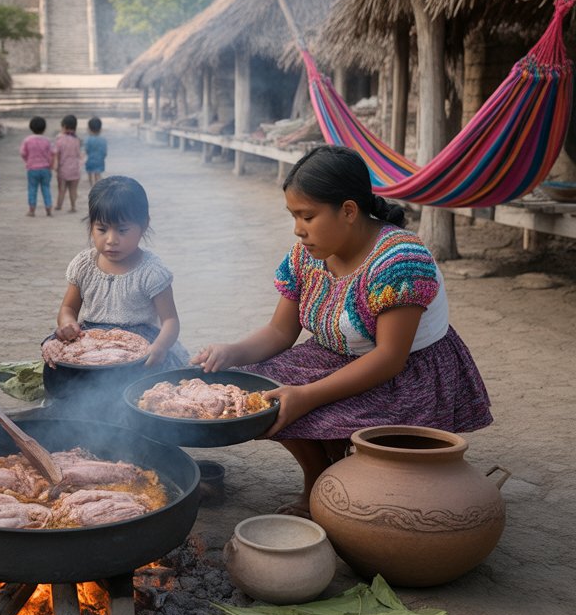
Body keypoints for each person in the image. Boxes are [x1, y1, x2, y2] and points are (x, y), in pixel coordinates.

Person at [193, 144, 492, 516]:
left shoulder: (400, 260)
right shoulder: (306, 255)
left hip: (405, 376)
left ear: (349, 211)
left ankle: (339, 471)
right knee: (250, 394)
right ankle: (320, 477)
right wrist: (231, 353)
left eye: (307, 216)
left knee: (300, 408)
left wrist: (306, 396)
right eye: (294, 216)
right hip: (334, 356)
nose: (298, 229)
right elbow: (280, 332)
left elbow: (389, 358)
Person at [55, 175, 188, 368]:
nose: (111, 240)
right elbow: (68, 308)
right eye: (102, 229)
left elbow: (170, 320)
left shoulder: (151, 272)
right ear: (91, 226)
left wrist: (160, 346)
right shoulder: (84, 265)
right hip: (93, 344)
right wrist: (68, 323)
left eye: (122, 230)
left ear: (144, 225)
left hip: (142, 347)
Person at [20, 115, 54, 216]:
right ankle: (48, 208)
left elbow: (22, 153)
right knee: (46, 188)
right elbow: (51, 154)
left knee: (32, 189)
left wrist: (27, 160)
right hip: (45, 169)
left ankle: (32, 210)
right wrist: (50, 165)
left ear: (31, 127)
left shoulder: (27, 140)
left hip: (32, 169)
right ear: (44, 128)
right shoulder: (47, 141)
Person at [52, 114, 82, 212]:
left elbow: (56, 154)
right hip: (75, 169)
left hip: (63, 169)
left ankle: (59, 205)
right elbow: (79, 154)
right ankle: (73, 207)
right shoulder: (77, 140)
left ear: (64, 126)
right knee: (73, 190)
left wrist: (55, 165)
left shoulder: (60, 140)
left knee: (61, 189)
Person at [84, 117, 108, 186]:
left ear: (89, 129)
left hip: (90, 160)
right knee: (98, 175)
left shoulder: (88, 139)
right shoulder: (103, 140)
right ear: (100, 129)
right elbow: (105, 152)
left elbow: (86, 150)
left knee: (90, 174)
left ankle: (91, 186)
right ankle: (98, 187)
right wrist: (102, 157)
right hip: (99, 161)